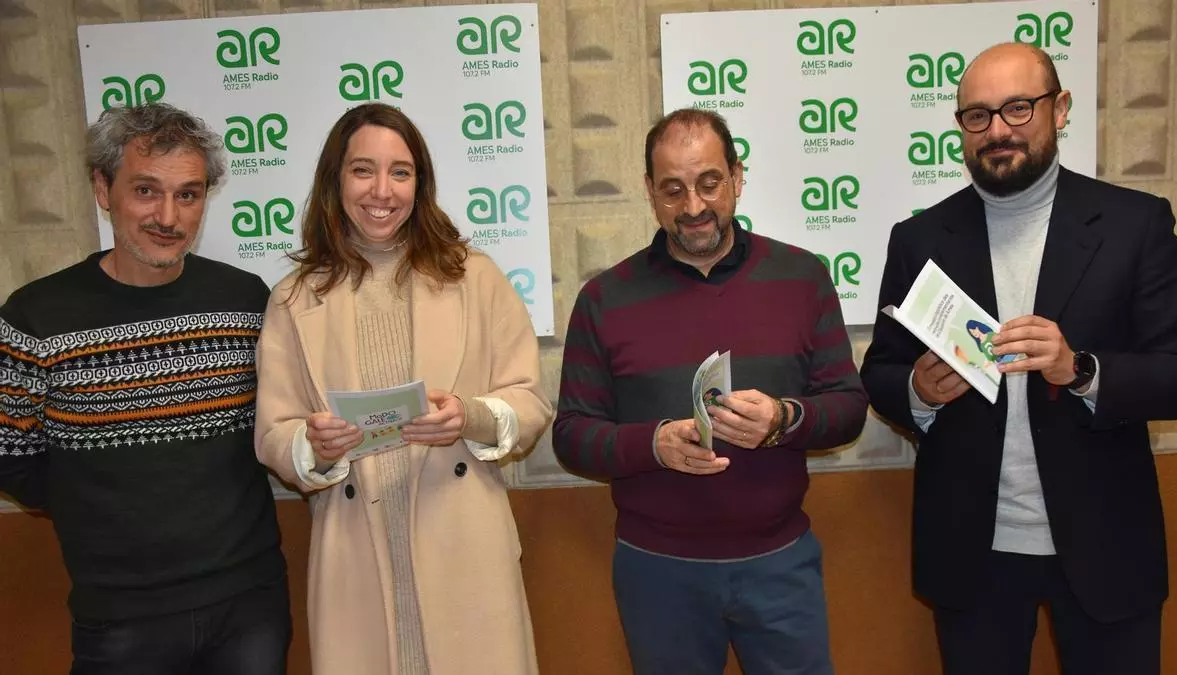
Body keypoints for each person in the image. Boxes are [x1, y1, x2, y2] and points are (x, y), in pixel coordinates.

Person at [861, 42, 1177, 675]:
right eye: (978, 116)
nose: (998, 130)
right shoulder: (919, 240)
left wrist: (1082, 371)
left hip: (1107, 545)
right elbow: (879, 374)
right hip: (973, 551)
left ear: (1059, 108)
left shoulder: (1135, 225)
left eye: (1018, 108)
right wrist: (918, 391)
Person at [553, 108, 868, 675]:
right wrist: (654, 445)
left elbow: (848, 407)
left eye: (709, 183)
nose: (694, 207)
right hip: (657, 571)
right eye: (673, 190)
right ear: (650, 192)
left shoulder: (802, 277)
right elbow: (572, 435)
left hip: (780, 562)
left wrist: (784, 420)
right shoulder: (604, 298)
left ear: (737, 178)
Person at [254, 102, 552, 675]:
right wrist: (314, 445)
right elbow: (273, 433)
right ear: (335, 180)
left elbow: (530, 401)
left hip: (464, 544)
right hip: (355, 551)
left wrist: (468, 415)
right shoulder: (293, 298)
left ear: (421, 182)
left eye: (400, 172)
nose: (382, 191)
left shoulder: (475, 277)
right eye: (363, 170)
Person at [0, 103, 289, 674]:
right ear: (102, 189)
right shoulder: (36, 316)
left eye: (188, 195)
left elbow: (276, 423)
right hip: (120, 617)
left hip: (249, 605)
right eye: (146, 190)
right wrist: (99, 504)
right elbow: (10, 457)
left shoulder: (245, 300)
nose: (168, 216)